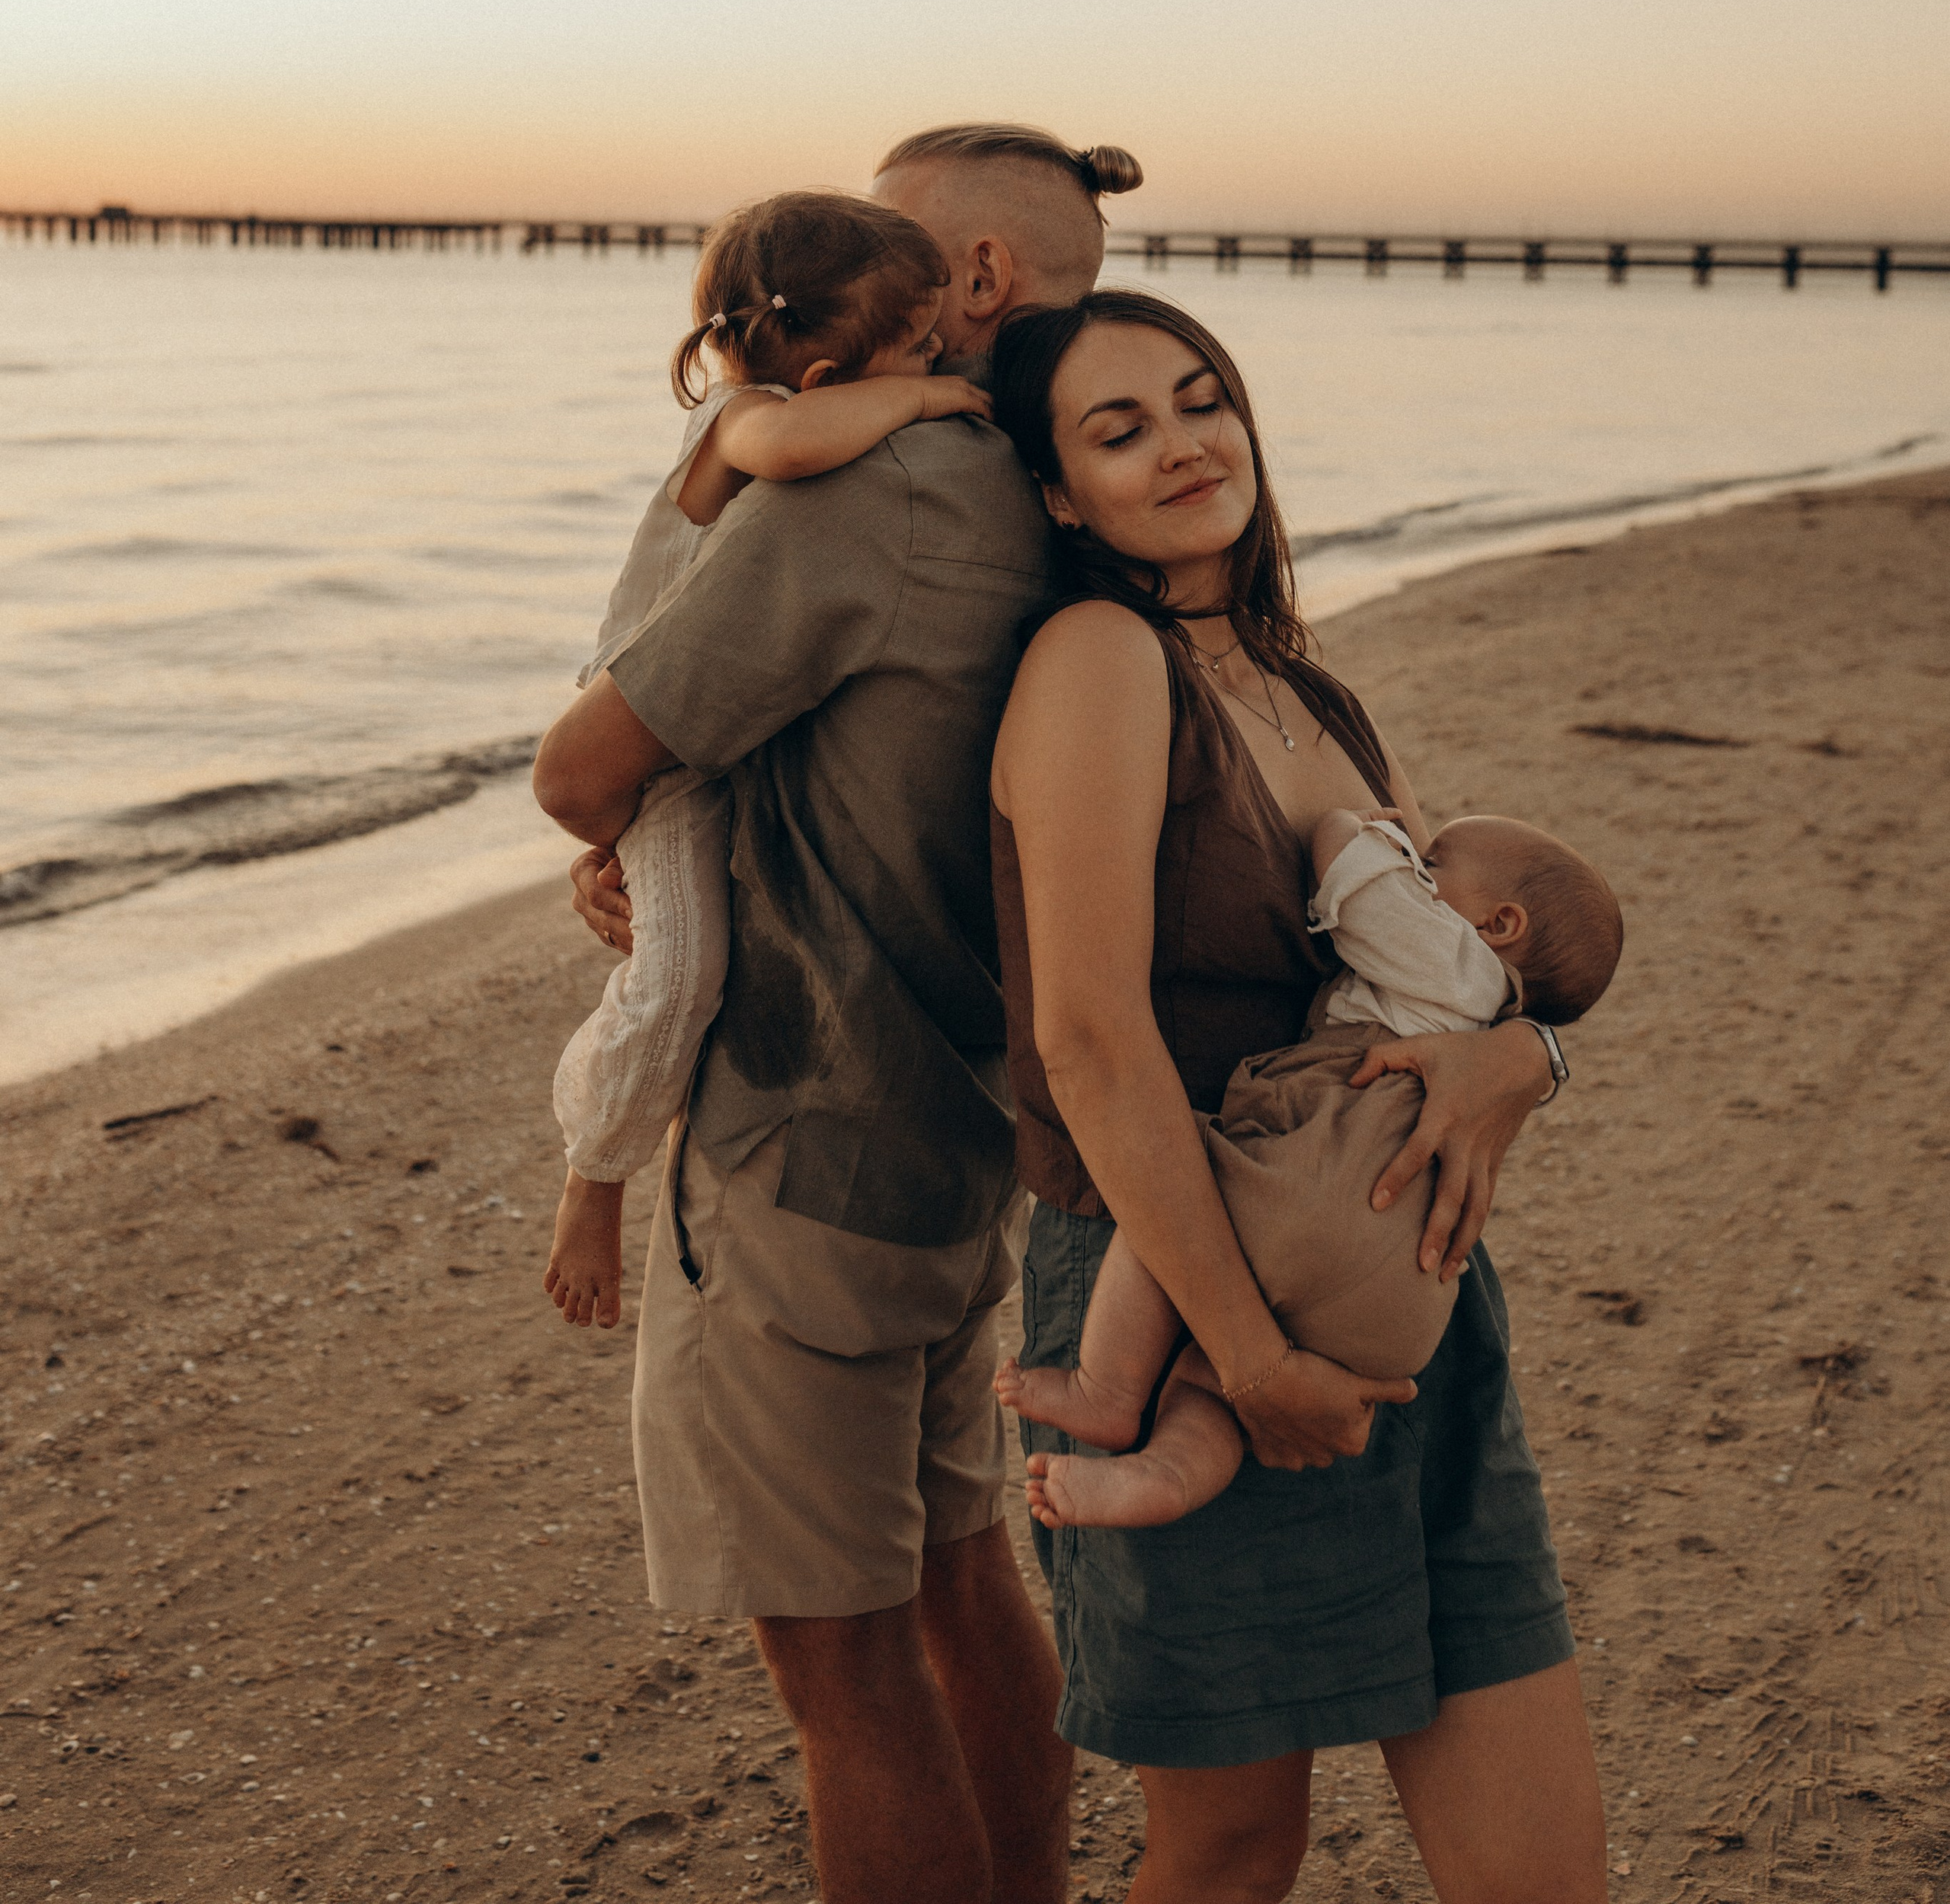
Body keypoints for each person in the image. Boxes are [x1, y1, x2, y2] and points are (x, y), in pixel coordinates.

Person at [531, 124, 1143, 1904]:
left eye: (890, 230)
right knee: (959, 1577)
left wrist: (625, 837)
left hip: (801, 1144)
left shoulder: (860, 492)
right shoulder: (1046, 485)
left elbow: (584, 764)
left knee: (839, 1667)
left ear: (975, 282)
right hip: (959, 1137)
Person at [983, 288, 1608, 1904]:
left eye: (1202, 402)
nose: (1185, 444)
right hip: (1183, 1299)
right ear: (1057, 494)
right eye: (1118, 429)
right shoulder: (1094, 661)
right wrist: (1245, 1358)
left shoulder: (1301, 677)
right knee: (1228, 1856)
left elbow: (1431, 974)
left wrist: (1524, 1060)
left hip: (1413, 1307)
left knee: (1537, 1871)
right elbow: (1089, 1041)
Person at [542, 190, 990, 1323]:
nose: (940, 366)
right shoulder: (746, 420)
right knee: (677, 976)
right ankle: (593, 1177)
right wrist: (931, 396)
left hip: (699, 727)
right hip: (657, 739)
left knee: (678, 951)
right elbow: (791, 446)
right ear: (840, 385)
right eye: (919, 348)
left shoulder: (804, 418)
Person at [999, 803, 1622, 1527]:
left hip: (1322, 1205)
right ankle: (1166, 1476)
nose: (1415, 866)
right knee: (1209, 1389)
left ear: (1501, 927)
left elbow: (1352, 882)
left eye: (1431, 865)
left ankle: (1106, 1389)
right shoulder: (1493, 1020)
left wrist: (1359, 831)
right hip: (1402, 1305)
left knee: (1172, 1186)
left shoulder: (1451, 959)